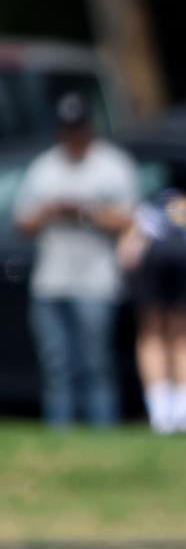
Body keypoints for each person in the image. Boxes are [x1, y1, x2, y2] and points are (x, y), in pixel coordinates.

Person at [13, 91, 139, 427]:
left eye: (77, 128)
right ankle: (61, 437)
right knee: (57, 367)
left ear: (89, 128)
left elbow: (132, 219)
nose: (71, 136)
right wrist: (50, 211)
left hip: (96, 282)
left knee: (96, 364)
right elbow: (21, 222)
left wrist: (84, 211)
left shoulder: (112, 165)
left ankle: (103, 433)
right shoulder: (45, 166)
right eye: (66, 129)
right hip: (50, 281)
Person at [118, 182, 186, 433]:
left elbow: (127, 253)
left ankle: (161, 414)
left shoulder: (149, 209)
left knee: (151, 334)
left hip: (154, 257)